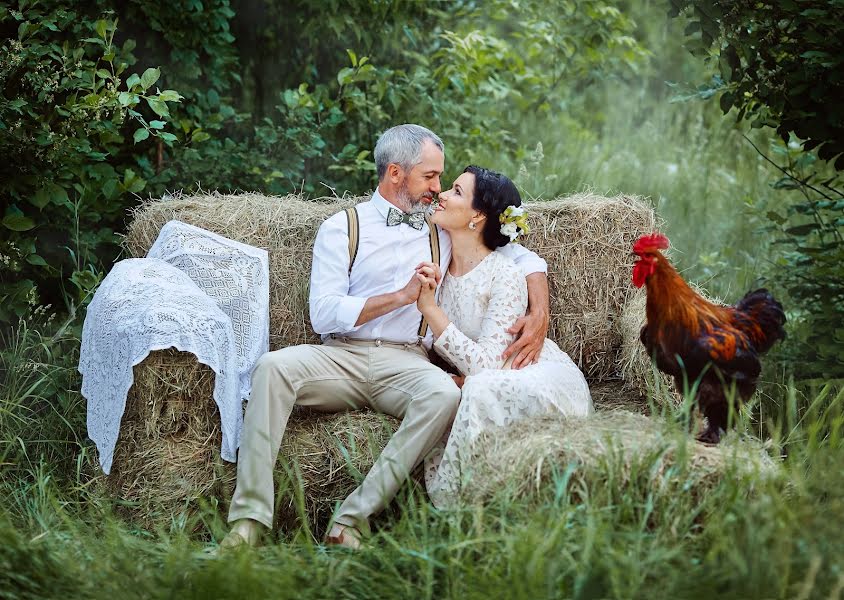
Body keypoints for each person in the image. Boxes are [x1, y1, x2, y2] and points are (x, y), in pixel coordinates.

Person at [221, 125, 551, 550]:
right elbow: (322, 314)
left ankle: (351, 521)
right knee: (271, 368)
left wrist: (539, 309)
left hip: (407, 361)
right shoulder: (343, 227)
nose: (437, 189)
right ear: (396, 173)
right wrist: (400, 297)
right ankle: (248, 521)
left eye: (442, 181)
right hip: (341, 355)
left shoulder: (442, 228)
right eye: (430, 177)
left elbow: (514, 251)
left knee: (444, 396)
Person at [415, 166, 594, 507]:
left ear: (477, 216)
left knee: (477, 389)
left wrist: (431, 311)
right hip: (486, 374)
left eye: (455, 191)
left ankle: (454, 505)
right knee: (458, 392)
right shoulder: (437, 257)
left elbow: (486, 367)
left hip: (531, 373)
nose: (442, 195)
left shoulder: (505, 273)